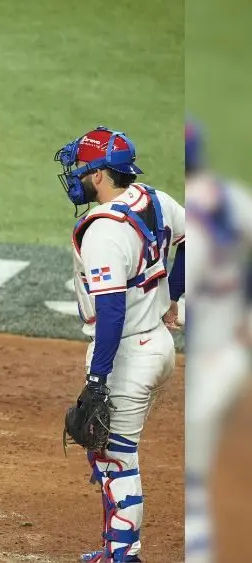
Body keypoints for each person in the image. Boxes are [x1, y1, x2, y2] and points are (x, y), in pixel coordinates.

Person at [53, 126, 185, 562]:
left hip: (129, 354)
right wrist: (175, 296)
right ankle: (116, 549)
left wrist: (97, 378)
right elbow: (193, 238)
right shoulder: (153, 199)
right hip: (157, 344)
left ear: (101, 175)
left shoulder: (103, 233)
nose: (76, 176)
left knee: (116, 460)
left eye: (83, 169)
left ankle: (123, 556)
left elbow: (110, 311)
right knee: (106, 450)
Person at [182, 117, 252, 563]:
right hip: (233, 354)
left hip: (204, 372)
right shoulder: (231, 197)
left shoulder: (189, 215)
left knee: (193, 489)